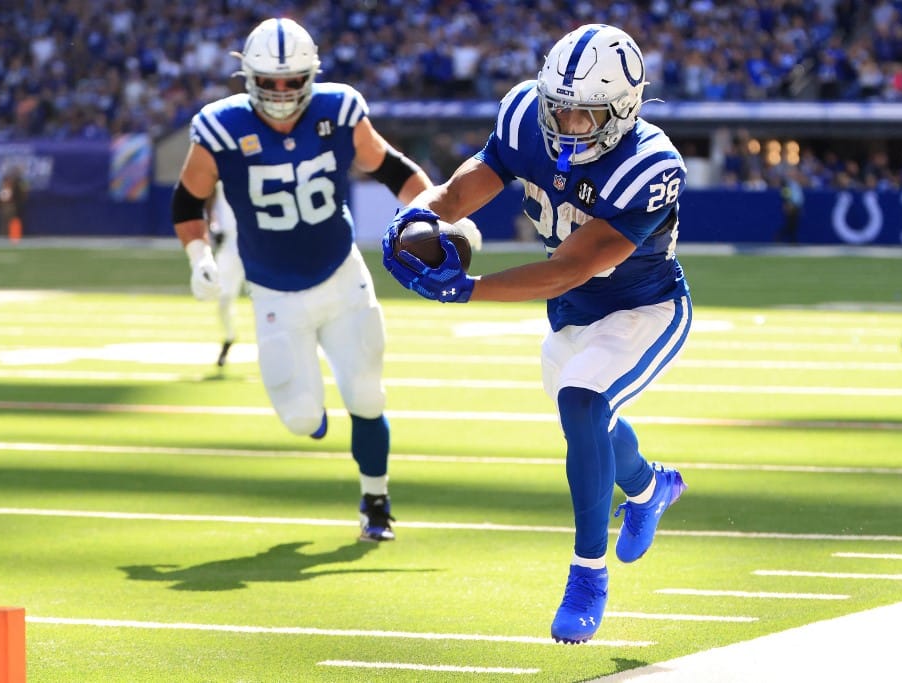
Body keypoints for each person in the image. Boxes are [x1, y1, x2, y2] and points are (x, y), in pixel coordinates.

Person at [381, 24, 689, 644]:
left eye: (585, 114)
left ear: (624, 110)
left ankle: (587, 575)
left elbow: (569, 265)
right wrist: (419, 217)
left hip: (642, 307)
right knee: (592, 422)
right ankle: (653, 487)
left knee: (582, 402)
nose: (567, 122)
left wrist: (465, 289)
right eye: (560, 107)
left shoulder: (649, 165)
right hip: (573, 312)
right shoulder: (526, 112)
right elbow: (476, 180)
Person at [172, 17, 438, 542]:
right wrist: (198, 253)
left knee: (366, 396)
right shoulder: (221, 126)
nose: (280, 92)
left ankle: (376, 499)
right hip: (272, 290)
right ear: (248, 77)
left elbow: (390, 168)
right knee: (299, 419)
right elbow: (187, 198)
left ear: (310, 75)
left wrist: (434, 215)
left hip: (342, 279)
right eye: (269, 82)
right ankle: (316, 419)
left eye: (291, 80)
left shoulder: (338, 110)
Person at [206, 182, 245, 368]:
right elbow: (207, 198)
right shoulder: (221, 159)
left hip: (256, 242)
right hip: (229, 244)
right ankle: (229, 336)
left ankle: (273, 347)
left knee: (266, 298)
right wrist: (212, 226)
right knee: (223, 299)